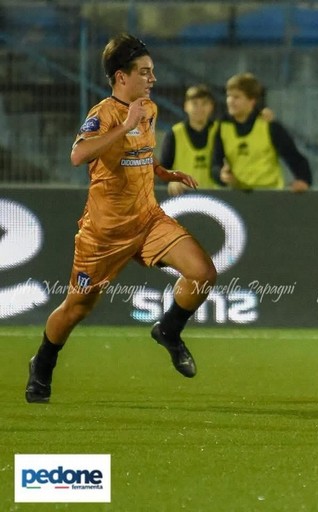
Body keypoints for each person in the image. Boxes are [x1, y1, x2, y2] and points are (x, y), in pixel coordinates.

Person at [25, 33, 218, 403]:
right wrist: (125, 125)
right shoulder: (103, 115)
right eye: (144, 72)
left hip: (147, 220)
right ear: (120, 77)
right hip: (104, 234)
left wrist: (163, 172)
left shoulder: (148, 108)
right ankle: (44, 362)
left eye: (152, 72)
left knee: (203, 273)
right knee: (76, 308)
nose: (152, 79)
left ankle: (169, 330)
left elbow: (139, 153)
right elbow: (78, 157)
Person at [211, 72, 312, 192]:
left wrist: (303, 180)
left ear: (251, 101)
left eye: (236, 97)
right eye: (229, 96)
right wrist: (221, 176)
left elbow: (293, 156)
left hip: (269, 196)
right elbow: (215, 164)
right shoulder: (222, 128)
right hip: (238, 197)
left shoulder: (269, 126)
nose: (230, 101)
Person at [159, 84, 219, 196]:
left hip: (215, 199)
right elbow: (162, 169)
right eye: (195, 104)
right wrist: (172, 180)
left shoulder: (220, 131)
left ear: (211, 106)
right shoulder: (174, 133)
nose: (199, 108)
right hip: (183, 198)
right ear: (186, 106)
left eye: (204, 104)